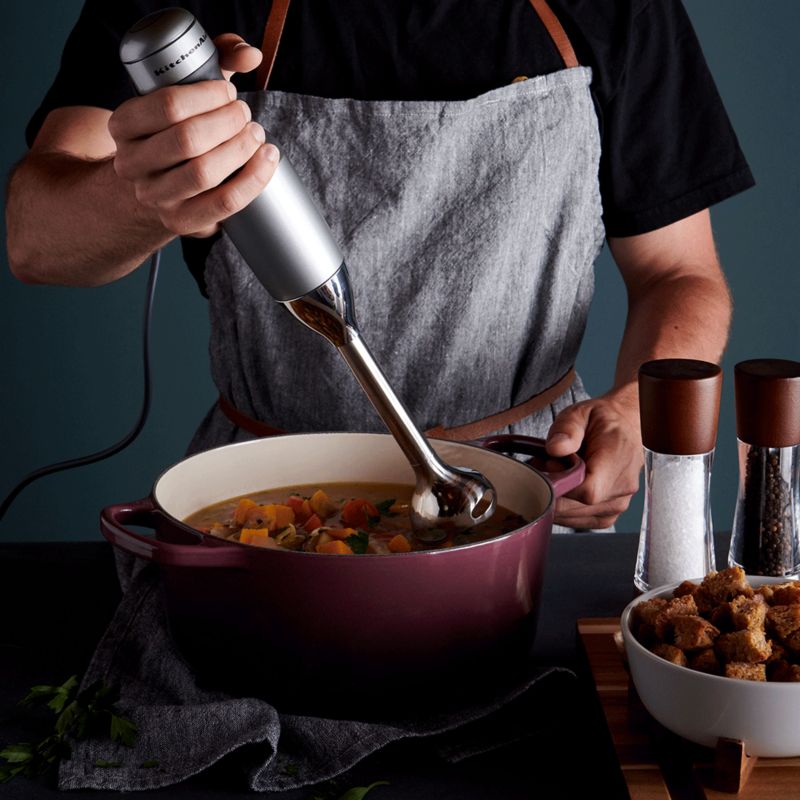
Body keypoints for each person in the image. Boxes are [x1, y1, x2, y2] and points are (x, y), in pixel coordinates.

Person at [5, 0, 753, 531]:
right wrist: (147, 197)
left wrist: (632, 413)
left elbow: (679, 275)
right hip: (264, 506)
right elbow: (35, 239)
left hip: (527, 497)